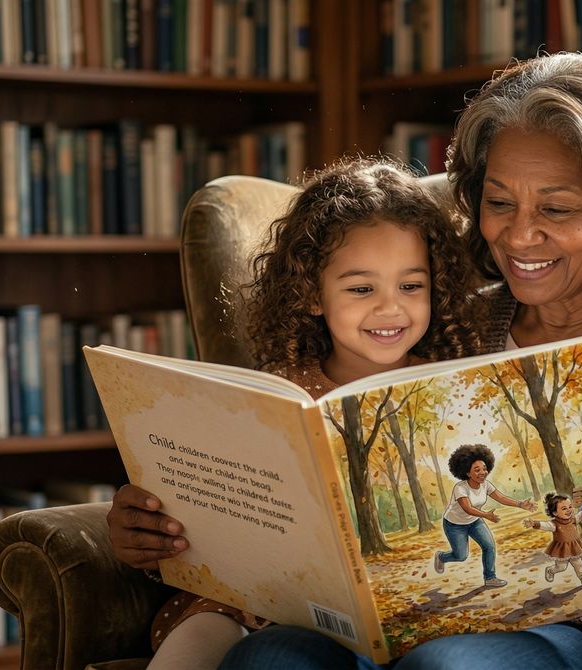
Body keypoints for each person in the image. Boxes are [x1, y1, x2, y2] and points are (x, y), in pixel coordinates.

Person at [110, 52, 582, 670]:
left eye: (557, 209)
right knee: (267, 660)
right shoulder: (454, 321)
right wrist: (171, 524)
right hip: (384, 626)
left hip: (580, 632)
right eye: (498, 203)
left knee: (447, 668)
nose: (519, 235)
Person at [141, 157, 482, 669]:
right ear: (313, 295)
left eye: (411, 286)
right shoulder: (278, 392)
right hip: (275, 604)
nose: (391, 308)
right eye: (361, 289)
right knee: (203, 634)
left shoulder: (453, 382)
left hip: (423, 599)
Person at [433, 443, 536, 588]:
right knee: (461, 556)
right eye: (477, 470)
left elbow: (501, 498)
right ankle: (441, 557)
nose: (483, 472)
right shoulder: (460, 488)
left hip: (475, 522)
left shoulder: (485, 485)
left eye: (484, 468)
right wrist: (486, 515)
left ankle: (490, 578)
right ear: (467, 473)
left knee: (489, 546)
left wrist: (520, 504)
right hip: (454, 525)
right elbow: (468, 508)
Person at [524, 492, 582, 586]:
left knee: (578, 563)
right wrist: (534, 523)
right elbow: (545, 525)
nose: (569, 510)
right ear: (555, 513)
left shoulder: (573, 519)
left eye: (570, 507)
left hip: (574, 547)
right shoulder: (554, 524)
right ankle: (550, 570)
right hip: (562, 550)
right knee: (562, 567)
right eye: (564, 508)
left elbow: (580, 515)